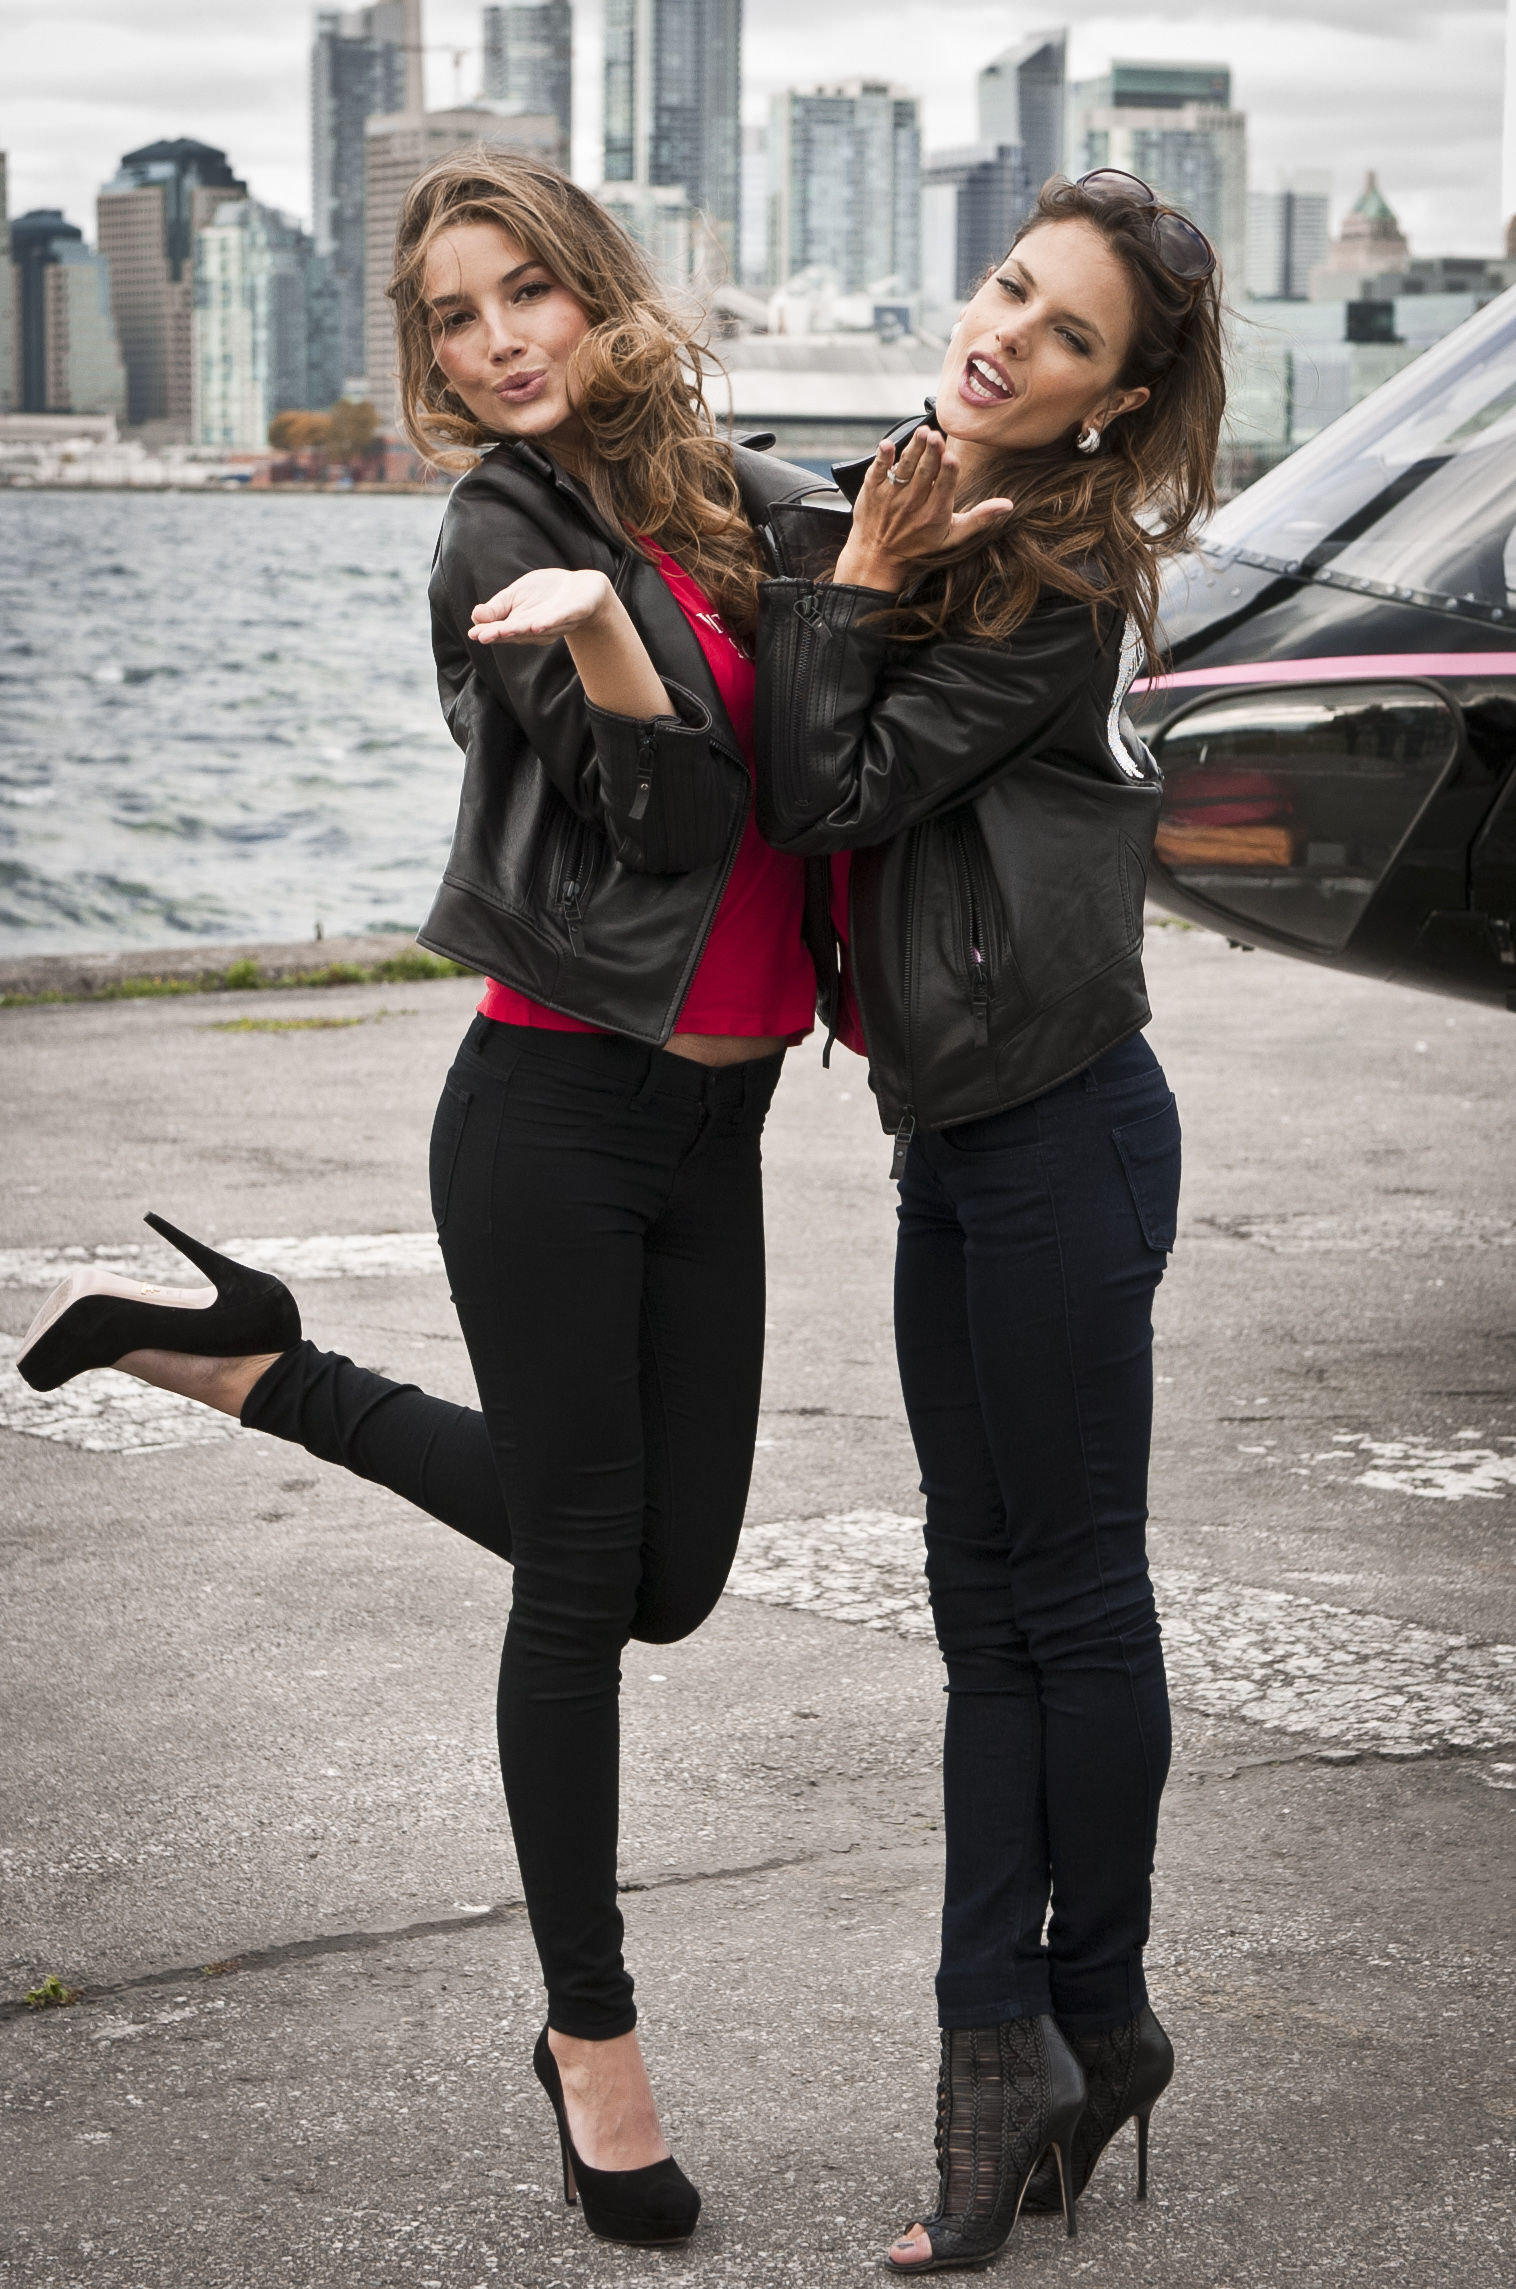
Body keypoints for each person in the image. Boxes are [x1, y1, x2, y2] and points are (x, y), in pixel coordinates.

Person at [17, 153, 838, 2251]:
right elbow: (670, 825)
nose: (494, 343)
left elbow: (867, 654)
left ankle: (250, 1361)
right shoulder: (501, 529)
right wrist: (613, 639)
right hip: (554, 1115)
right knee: (578, 1590)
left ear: (595, 289)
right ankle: (593, 2050)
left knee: (669, 1577)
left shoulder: (732, 496)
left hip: (718, 1130)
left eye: (523, 293)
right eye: (453, 319)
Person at [754, 172, 1225, 2273]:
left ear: (1109, 400)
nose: (1005, 336)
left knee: (1069, 1600)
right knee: (984, 1603)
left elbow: (827, 791)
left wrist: (856, 584)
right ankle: (1043, 2031)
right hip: (958, 1142)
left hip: (1061, 1139)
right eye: (1010, 290)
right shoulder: (929, 500)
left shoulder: (1055, 580)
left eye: (1064, 336)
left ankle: (1052, 2023)